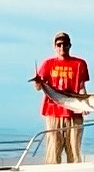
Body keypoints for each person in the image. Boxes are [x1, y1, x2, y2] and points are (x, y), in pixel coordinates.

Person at [33, 32, 90, 163]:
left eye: (65, 44)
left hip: (74, 112)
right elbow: (38, 88)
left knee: (74, 150)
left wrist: (85, 105)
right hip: (53, 111)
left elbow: (81, 87)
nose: (62, 47)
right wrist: (37, 82)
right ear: (55, 47)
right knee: (54, 150)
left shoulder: (80, 64)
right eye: (59, 44)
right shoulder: (48, 64)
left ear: (70, 45)